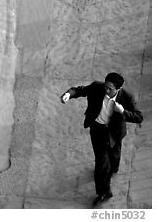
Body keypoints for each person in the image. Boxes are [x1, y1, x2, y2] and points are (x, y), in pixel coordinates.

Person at [60, 72, 143, 206]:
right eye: (106, 86)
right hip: (97, 130)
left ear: (119, 89)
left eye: (110, 89)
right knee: (102, 163)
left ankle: (114, 167)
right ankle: (104, 191)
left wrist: (123, 112)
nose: (106, 90)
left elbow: (139, 117)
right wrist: (68, 94)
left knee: (115, 155)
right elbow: (79, 90)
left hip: (114, 133)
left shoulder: (127, 97)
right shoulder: (97, 87)